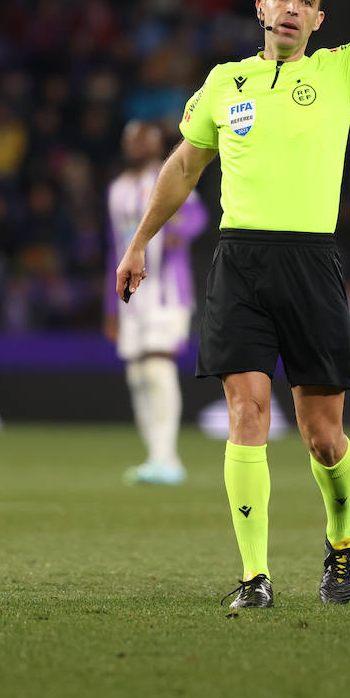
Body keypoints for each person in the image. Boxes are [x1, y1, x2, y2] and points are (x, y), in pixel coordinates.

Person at [115, 0, 350, 608]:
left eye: (307, 2)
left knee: (323, 437)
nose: (292, 9)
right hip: (240, 260)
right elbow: (183, 165)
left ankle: (342, 538)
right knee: (246, 409)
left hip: (310, 261)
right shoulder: (224, 84)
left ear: (320, 19)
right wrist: (139, 242)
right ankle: (254, 576)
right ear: (261, 6)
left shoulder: (342, 70)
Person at [105, 120, 206, 484]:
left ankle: (168, 459)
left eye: (145, 138)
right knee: (136, 373)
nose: (138, 144)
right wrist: (108, 306)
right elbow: (114, 251)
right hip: (131, 297)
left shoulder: (170, 177)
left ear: (157, 143)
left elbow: (197, 218)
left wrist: (177, 228)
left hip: (167, 291)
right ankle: (154, 456)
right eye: (132, 138)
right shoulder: (117, 190)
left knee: (156, 366)